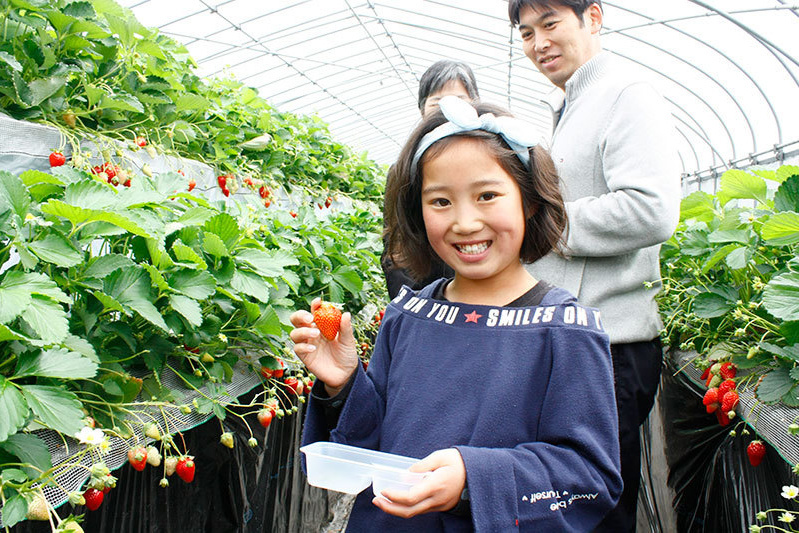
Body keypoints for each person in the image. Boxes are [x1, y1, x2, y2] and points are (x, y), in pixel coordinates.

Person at [290, 96, 622, 531]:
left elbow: (589, 477)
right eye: (441, 201)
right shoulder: (409, 314)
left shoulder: (564, 331)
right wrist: (346, 384)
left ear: (529, 201)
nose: (464, 223)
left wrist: (473, 478)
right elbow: (371, 442)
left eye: (487, 195)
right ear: (418, 210)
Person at [508, 1, 681, 531]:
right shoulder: (570, 106)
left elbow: (651, 209)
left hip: (610, 348)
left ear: (594, 18)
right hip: (574, 341)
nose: (539, 43)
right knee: (564, 501)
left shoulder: (627, 95)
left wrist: (545, 223)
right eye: (526, 32)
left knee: (596, 509)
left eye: (550, 23)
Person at [382, 59, 480, 299]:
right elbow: (397, 244)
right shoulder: (405, 170)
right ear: (422, 109)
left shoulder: (492, 162)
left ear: (475, 105)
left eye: (459, 100)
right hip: (425, 291)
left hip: (483, 289)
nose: (448, 109)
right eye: (437, 103)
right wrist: (413, 304)